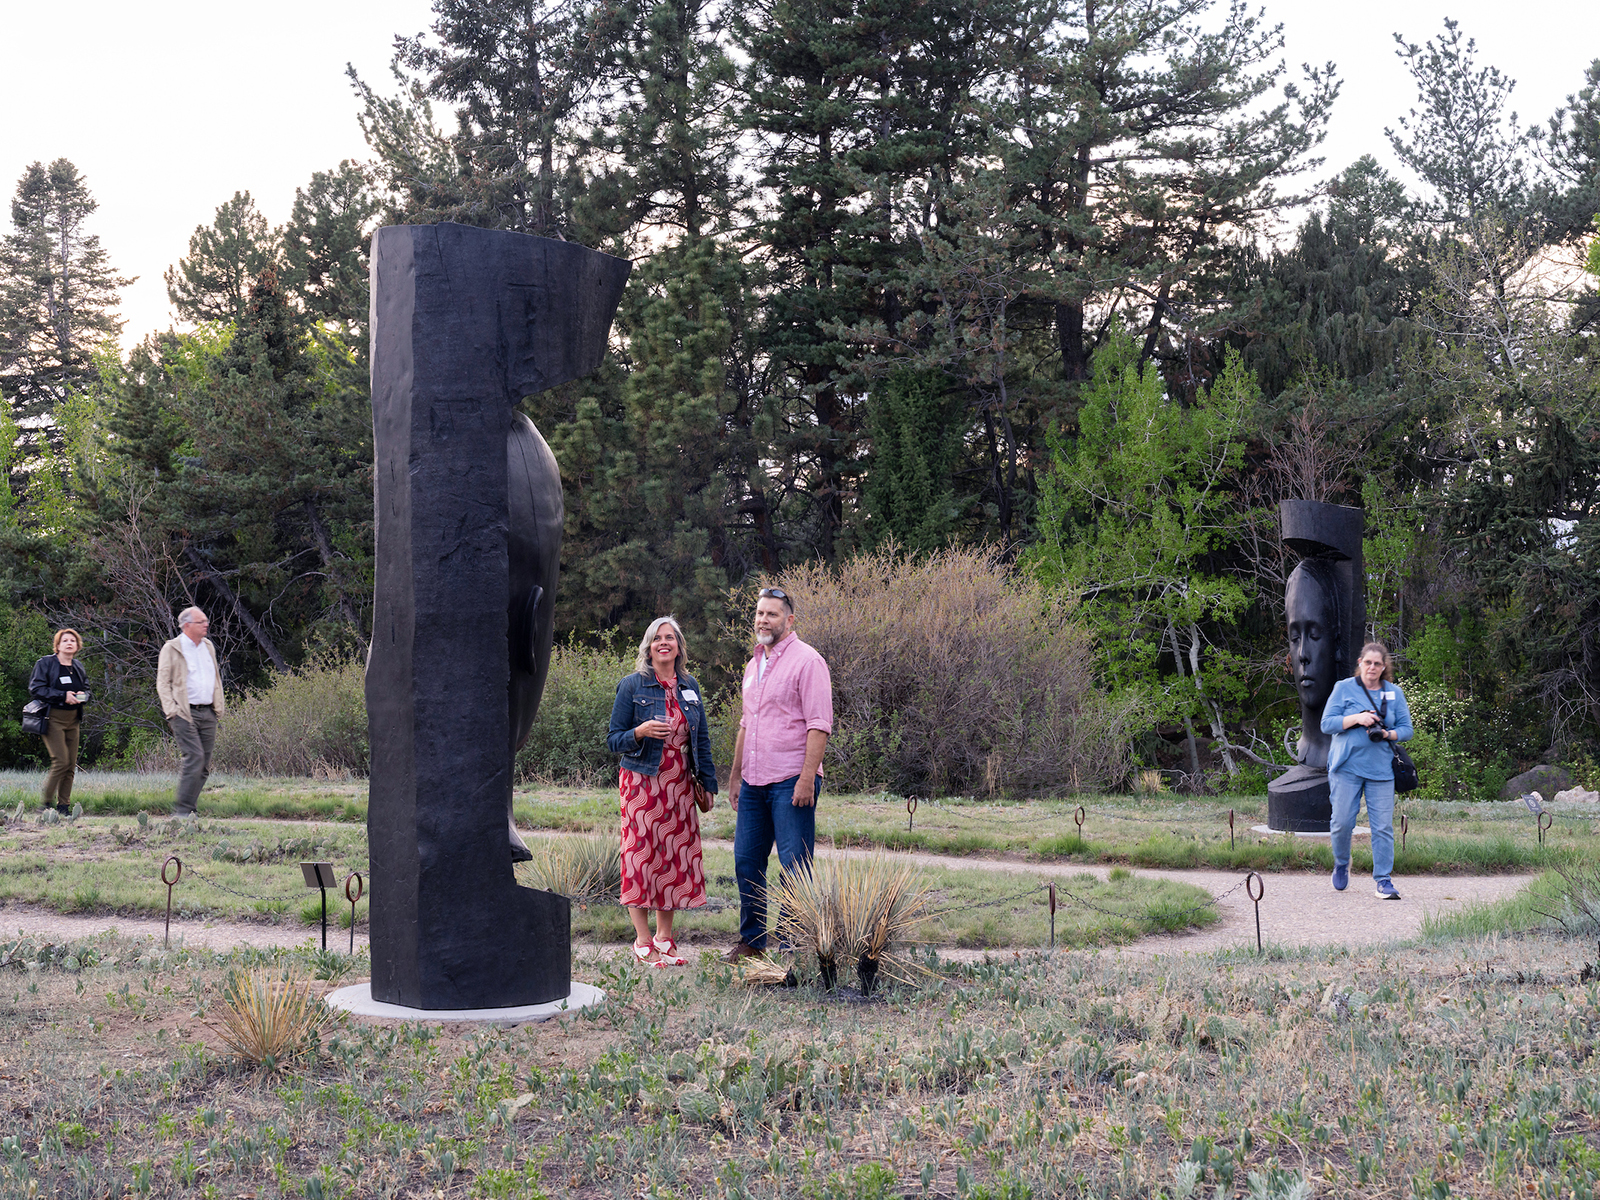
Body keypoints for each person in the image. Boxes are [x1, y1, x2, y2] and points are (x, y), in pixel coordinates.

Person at [723, 587, 833, 963]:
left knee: (794, 865)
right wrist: (736, 776)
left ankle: (791, 946)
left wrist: (806, 778)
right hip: (753, 782)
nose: (762, 620)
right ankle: (752, 941)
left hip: (791, 780)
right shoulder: (754, 664)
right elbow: (745, 724)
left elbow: (819, 725)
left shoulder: (808, 662)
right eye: (758, 613)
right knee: (746, 861)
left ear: (789, 620)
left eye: (771, 614)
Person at [606, 616, 715, 967]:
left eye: (670, 638)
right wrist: (639, 732)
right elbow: (612, 739)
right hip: (641, 781)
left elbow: (701, 740)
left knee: (671, 857)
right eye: (657, 638)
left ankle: (665, 938)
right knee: (641, 855)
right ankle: (642, 940)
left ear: (679, 646)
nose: (664, 643)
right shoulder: (632, 685)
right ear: (649, 647)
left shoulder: (690, 686)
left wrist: (708, 783)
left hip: (680, 783)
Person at [1320, 641, 1413, 900]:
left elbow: (1407, 729)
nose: (1372, 667)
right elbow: (1327, 724)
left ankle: (1383, 880)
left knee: (1382, 827)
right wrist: (1358, 718)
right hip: (1346, 767)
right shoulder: (1343, 688)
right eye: (1368, 662)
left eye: (1377, 664)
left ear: (1384, 667)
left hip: (1382, 770)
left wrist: (1387, 733)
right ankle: (1341, 863)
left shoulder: (1394, 693)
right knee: (1341, 823)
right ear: (1360, 662)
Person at [156, 607, 227, 817]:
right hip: (184, 713)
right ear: (187, 625)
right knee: (194, 757)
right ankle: (182, 812)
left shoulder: (208, 646)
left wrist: (218, 707)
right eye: (201, 622)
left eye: (206, 621)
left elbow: (215, 677)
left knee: (203, 765)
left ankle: (190, 810)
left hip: (208, 713)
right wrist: (172, 711)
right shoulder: (172, 649)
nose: (206, 624)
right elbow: (163, 682)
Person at [29, 629, 90, 815]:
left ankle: (63, 807)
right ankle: (44, 805)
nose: (69, 643)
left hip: (73, 720)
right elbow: (36, 688)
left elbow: (87, 690)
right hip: (53, 718)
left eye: (73, 640)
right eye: (65, 640)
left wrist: (81, 697)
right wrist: (63, 696)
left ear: (78, 646)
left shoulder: (78, 666)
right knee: (61, 761)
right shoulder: (45, 663)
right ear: (57, 645)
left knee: (70, 765)